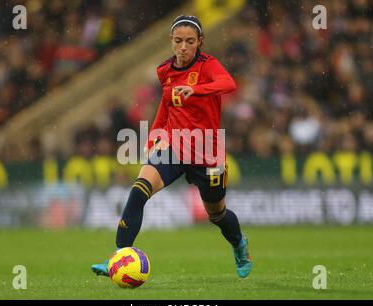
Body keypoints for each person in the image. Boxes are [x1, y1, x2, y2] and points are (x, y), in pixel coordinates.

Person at [91, 15, 252, 279]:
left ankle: (239, 244)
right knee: (139, 188)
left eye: (190, 41)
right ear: (171, 41)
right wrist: (154, 138)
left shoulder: (208, 65)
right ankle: (119, 256)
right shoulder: (164, 71)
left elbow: (229, 84)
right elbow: (164, 109)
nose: (184, 47)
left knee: (217, 214)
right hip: (175, 147)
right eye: (178, 41)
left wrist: (196, 90)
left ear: (200, 41)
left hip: (207, 151)